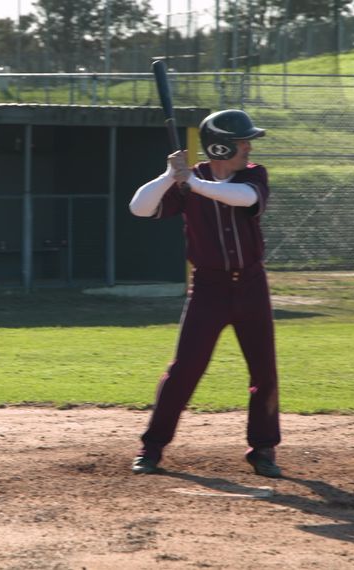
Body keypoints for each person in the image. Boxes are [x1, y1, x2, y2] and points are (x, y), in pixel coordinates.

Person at [127, 109, 282, 478]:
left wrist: (192, 184)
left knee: (264, 372)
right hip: (208, 289)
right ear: (221, 145)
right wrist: (170, 176)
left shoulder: (252, 176)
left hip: (251, 285)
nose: (247, 147)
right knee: (184, 370)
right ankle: (152, 448)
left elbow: (243, 198)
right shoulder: (186, 180)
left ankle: (263, 449)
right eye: (241, 141)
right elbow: (139, 208)